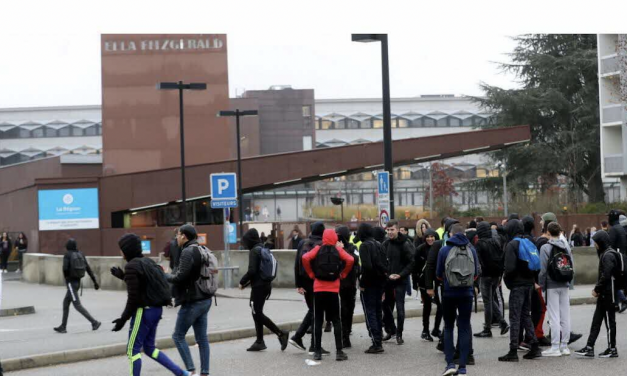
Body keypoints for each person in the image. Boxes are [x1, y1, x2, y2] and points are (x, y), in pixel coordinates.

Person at [110, 234, 192, 376]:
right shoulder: (147, 262)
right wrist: (124, 276)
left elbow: (133, 299)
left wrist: (123, 320)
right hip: (156, 310)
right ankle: (182, 373)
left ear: (127, 250)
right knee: (149, 348)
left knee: (132, 351)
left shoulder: (131, 266)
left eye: (121, 249)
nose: (120, 252)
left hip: (143, 312)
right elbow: (144, 287)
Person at [166, 225, 213, 376]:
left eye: (178, 235)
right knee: (202, 339)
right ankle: (204, 372)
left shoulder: (187, 251)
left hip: (193, 301)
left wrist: (165, 276)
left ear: (184, 236)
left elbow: (180, 277)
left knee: (178, 336)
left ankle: (190, 370)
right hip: (205, 298)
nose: (176, 238)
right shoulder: (201, 248)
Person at [302, 229, 354, 361]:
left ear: (324, 237)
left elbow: (305, 258)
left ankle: (317, 352)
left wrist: (311, 274)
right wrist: (343, 274)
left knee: (318, 320)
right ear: (335, 238)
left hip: (318, 289)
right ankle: (339, 351)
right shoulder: (338, 250)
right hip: (333, 290)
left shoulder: (318, 249)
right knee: (336, 320)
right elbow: (350, 260)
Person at [436, 224, 479, 376]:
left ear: (450, 234)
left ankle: (449, 364)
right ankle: (462, 367)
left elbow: (439, 274)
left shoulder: (444, 249)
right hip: (466, 293)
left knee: (448, 327)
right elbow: (476, 273)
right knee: (464, 327)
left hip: (449, 293)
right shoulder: (471, 250)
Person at [498, 219, 542, 362]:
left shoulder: (512, 244)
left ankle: (513, 350)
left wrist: (507, 279)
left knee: (515, 317)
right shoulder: (529, 242)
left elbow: (509, 268)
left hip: (517, 286)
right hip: (529, 284)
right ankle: (534, 346)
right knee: (525, 315)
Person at [239, 228, 289, 352]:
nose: (245, 244)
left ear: (250, 240)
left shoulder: (254, 251)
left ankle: (280, 333)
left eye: (246, 242)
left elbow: (252, 271)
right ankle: (259, 341)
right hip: (265, 285)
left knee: (257, 313)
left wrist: (242, 281)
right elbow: (258, 271)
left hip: (259, 287)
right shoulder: (263, 248)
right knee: (256, 312)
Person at [575, 230, 621, 358]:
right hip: (605, 293)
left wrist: (596, 289)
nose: (594, 245)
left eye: (595, 242)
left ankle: (612, 349)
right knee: (596, 321)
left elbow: (606, 275)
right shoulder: (606, 253)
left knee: (610, 322)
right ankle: (589, 347)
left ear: (601, 242)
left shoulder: (608, 255)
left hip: (608, 293)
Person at [290, 222, 326, 353]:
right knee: (316, 312)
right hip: (317, 282)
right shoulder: (322, 244)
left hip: (304, 282)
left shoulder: (302, 243)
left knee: (313, 310)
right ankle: (302, 339)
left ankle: (308, 343)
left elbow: (297, 264)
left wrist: (298, 284)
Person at [538, 222, 573, 357]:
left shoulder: (545, 247)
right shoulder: (566, 246)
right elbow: (572, 265)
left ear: (548, 232)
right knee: (565, 315)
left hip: (551, 285)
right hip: (564, 283)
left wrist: (541, 285)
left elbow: (543, 269)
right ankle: (565, 346)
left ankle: (554, 347)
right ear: (560, 232)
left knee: (554, 316)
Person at [54, 239, 101, 333]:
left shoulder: (67, 255)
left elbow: (65, 269)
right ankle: (63, 326)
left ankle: (94, 322)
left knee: (77, 305)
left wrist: (67, 281)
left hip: (71, 283)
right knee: (66, 303)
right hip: (78, 283)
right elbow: (88, 268)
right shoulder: (81, 254)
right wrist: (94, 281)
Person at [381, 220, 415, 344]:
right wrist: (386, 274)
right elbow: (382, 262)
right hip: (388, 281)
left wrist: (400, 275)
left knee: (400, 309)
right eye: (388, 230)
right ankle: (391, 330)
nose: (389, 232)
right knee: (385, 306)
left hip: (400, 281)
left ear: (397, 229)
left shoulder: (405, 243)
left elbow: (411, 262)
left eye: (392, 230)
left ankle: (399, 334)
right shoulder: (385, 244)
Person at [474, 221, 509, 338]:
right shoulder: (496, 241)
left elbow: (477, 261)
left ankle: (487, 329)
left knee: (487, 301)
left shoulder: (479, 243)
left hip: (485, 276)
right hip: (496, 275)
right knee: (491, 299)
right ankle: (502, 322)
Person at [358, 223, 388, 354]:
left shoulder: (365, 246)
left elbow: (367, 267)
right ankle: (379, 338)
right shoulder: (379, 244)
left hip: (369, 284)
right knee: (377, 310)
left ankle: (376, 341)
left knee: (369, 312)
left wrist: (362, 284)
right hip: (379, 282)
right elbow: (384, 264)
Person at [336, 225, 360, 349]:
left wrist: (343, 250)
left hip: (350, 283)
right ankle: (343, 335)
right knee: (342, 309)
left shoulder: (352, 247)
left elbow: (355, 260)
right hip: (338, 283)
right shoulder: (334, 248)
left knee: (349, 308)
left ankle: (347, 331)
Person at [415, 229, 441, 341]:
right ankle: (425, 330)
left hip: (438, 281)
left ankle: (436, 328)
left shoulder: (440, 248)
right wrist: (415, 281)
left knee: (441, 306)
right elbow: (414, 266)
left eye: (432, 237)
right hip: (423, 282)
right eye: (427, 237)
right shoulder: (420, 249)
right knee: (427, 306)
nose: (430, 239)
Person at [607, 209, 627, 312]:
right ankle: (616, 303)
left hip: (616, 260)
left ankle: (621, 301)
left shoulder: (614, 229)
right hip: (622, 258)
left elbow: (610, 246)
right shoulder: (621, 228)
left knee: (613, 281)